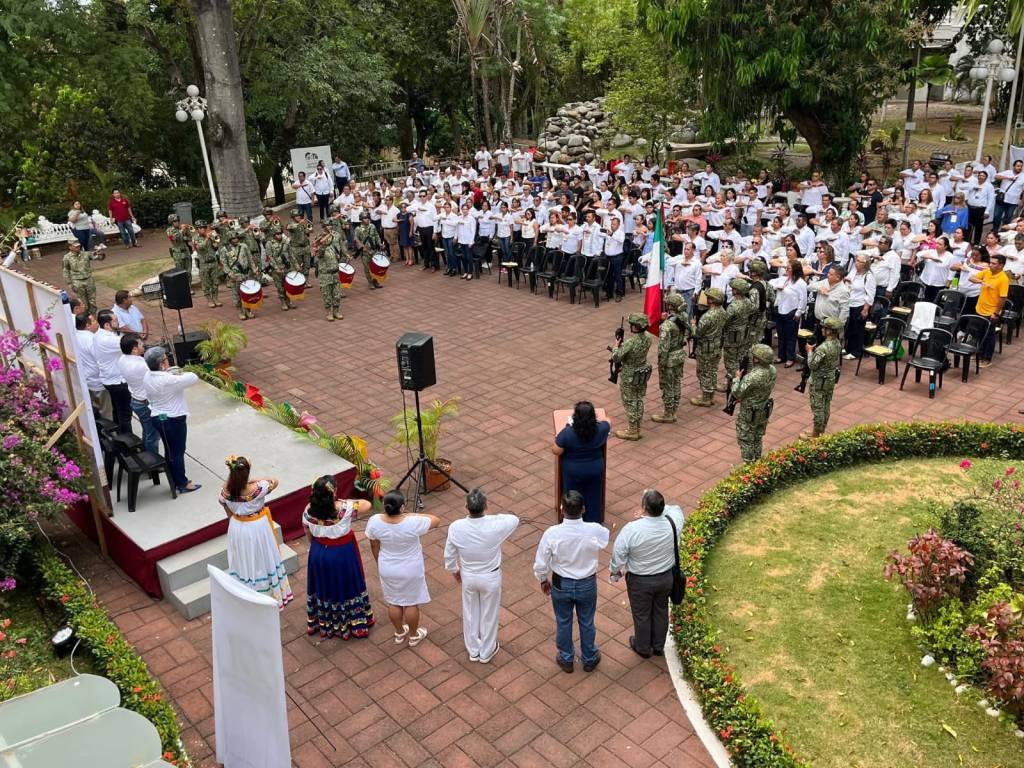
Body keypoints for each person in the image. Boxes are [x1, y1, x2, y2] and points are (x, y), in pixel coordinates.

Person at [533, 490, 610, 673]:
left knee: (563, 621)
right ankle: (589, 657)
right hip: (587, 583)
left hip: (561, 583)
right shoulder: (594, 530)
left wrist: (543, 580)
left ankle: (567, 658)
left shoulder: (552, 533)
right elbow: (605, 536)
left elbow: (540, 563)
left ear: (561, 509)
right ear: (583, 509)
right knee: (587, 621)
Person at [443, 488, 520, 663]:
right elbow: (514, 519)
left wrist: (455, 570)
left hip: (468, 576)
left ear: (466, 507)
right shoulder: (496, 525)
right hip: (490, 577)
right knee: (490, 614)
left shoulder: (456, 527)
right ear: (486, 506)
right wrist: (491, 517)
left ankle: (473, 650)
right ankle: (487, 650)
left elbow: (449, 554)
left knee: (470, 613)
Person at [609, 489, 684, 658]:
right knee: (661, 610)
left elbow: (618, 554)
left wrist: (614, 572)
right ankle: (658, 646)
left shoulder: (632, 530)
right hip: (665, 578)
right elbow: (676, 509)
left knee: (642, 614)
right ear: (661, 508)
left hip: (640, 582)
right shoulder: (674, 523)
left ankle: (643, 647)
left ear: (643, 507)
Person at [365, 490, 440, 647]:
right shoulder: (412, 522)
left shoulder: (374, 521)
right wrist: (410, 514)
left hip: (387, 566)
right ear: (402, 507)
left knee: (394, 601)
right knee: (411, 602)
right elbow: (436, 520)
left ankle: (399, 633)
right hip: (410, 568)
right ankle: (413, 636)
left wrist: (380, 562)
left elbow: (373, 544)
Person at [302, 476, 374, 639]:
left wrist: (315, 547)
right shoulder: (344, 508)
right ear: (333, 492)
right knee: (346, 583)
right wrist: (344, 500)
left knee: (324, 585)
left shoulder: (308, 510)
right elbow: (367, 504)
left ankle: (327, 623)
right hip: (341, 552)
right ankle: (352, 623)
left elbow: (307, 532)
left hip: (318, 551)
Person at [219, 456, 292, 607]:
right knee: (262, 557)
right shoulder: (258, 488)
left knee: (244, 558)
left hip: (238, 526)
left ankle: (247, 591)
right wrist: (253, 480)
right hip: (257, 527)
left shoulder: (225, 491)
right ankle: (268, 594)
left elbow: (226, 510)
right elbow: (274, 481)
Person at [142, 346, 200, 493]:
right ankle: (181, 483)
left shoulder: (148, 376)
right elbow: (193, 377)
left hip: (161, 417)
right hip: (172, 420)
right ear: (162, 363)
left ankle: (175, 479)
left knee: (171, 450)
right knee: (177, 452)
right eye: (166, 359)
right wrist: (178, 374)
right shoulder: (168, 380)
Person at [552, 401, 611, 524]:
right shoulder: (601, 429)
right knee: (594, 494)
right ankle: (593, 520)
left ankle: (573, 518)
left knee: (572, 496)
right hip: (594, 469)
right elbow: (608, 421)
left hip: (573, 471)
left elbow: (556, 450)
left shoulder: (567, 433)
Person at [609, 312, 653, 441]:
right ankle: (637, 426)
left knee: (629, 401)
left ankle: (633, 430)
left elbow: (616, 357)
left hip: (630, 374)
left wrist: (616, 346)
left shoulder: (631, 342)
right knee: (638, 398)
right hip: (641, 372)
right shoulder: (648, 338)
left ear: (636, 326)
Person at [730, 343, 777, 462]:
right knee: (757, 436)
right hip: (763, 409)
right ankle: (757, 462)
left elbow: (737, 393)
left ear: (757, 359)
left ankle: (749, 465)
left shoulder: (752, 377)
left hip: (749, 412)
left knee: (745, 438)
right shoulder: (772, 370)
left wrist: (736, 379)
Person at [117, 333, 159, 455]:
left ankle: (145, 452)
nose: (143, 345)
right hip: (145, 403)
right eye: (141, 344)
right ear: (134, 349)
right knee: (153, 434)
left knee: (147, 430)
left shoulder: (122, 359)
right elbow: (155, 380)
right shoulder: (140, 365)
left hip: (136, 400)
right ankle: (152, 460)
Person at [801, 317, 843, 438]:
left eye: (825, 328)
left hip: (819, 381)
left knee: (818, 407)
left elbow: (812, 365)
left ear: (830, 331)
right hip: (829, 379)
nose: (822, 330)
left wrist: (809, 352)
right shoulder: (837, 343)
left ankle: (816, 434)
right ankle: (820, 431)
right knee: (826, 405)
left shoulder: (823, 348)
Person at [652, 293, 690, 423]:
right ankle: (674, 410)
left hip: (669, 359)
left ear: (669, 306)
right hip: (679, 354)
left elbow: (663, 348)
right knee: (676, 383)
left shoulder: (667, 326)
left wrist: (661, 364)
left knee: (668, 386)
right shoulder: (684, 316)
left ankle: (668, 413)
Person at [93, 310, 132, 435]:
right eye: (115, 320)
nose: (118, 322)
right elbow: (128, 345)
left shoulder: (100, 334)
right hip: (116, 381)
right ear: (107, 325)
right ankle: (127, 439)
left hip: (110, 379)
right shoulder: (108, 339)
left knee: (118, 410)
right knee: (125, 413)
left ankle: (120, 435)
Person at [969, 252, 1009, 369]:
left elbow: (1003, 298)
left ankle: (986, 358)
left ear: (1001, 265)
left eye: (994, 263)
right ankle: (978, 353)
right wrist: (981, 281)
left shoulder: (1003, 279)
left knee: (989, 336)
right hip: (979, 308)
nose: (990, 265)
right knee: (978, 332)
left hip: (991, 312)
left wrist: (996, 313)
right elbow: (971, 278)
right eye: (990, 262)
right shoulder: (987, 272)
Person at [690, 288, 728, 407]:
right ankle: (710, 395)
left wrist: (693, 326)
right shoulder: (722, 311)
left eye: (708, 297)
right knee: (712, 370)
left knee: (703, 371)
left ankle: (706, 398)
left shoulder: (707, 316)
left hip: (705, 348)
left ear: (712, 300)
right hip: (717, 346)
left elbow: (697, 334)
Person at [770, 261, 808, 367]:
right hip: (780, 310)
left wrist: (799, 312)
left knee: (790, 336)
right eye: (786, 268)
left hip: (791, 311)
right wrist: (777, 287)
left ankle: (790, 358)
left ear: (795, 270)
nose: (786, 270)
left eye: (789, 268)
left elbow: (803, 299)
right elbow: (771, 282)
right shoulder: (784, 279)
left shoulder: (800, 283)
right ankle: (781, 356)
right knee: (781, 335)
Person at [75, 312, 112, 419]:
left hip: (87, 379)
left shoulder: (75, 336)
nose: (97, 323)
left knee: (96, 409)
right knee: (106, 412)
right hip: (98, 381)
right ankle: (109, 434)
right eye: (94, 321)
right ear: (87, 325)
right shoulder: (92, 339)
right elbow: (100, 358)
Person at [721, 278, 753, 388]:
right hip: (744, 335)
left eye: (733, 289)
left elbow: (725, 321)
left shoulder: (733, 305)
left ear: (736, 291)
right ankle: (742, 380)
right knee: (741, 358)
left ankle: (732, 384)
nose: (732, 291)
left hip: (732, 337)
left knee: (730, 361)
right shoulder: (748, 301)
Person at [844, 254, 876, 360]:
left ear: (865, 264)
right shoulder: (853, 271)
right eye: (856, 260)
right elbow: (847, 281)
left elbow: (870, 294)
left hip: (860, 304)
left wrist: (866, 309)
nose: (856, 263)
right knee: (849, 328)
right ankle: (848, 348)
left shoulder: (869, 276)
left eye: (859, 261)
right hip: (850, 302)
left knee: (857, 329)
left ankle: (856, 351)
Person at [223, 233, 259, 320]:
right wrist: (230, 274)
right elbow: (224, 264)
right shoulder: (225, 250)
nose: (236, 240)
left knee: (247, 293)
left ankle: (248, 310)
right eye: (233, 239)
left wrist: (254, 270)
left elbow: (250, 259)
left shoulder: (244, 246)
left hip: (246, 273)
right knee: (237, 294)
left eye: (237, 238)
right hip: (235, 275)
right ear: (229, 240)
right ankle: (240, 311)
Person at [315, 226, 345, 321]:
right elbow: (320, 254)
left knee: (336, 294)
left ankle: (336, 311)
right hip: (325, 275)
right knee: (327, 295)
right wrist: (322, 244)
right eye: (326, 238)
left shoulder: (332, 248)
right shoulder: (320, 249)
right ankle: (329, 313)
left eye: (329, 238)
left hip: (335, 274)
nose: (328, 239)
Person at [266, 229, 300, 311]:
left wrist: (296, 265)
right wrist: (276, 268)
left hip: (287, 267)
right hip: (277, 269)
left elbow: (291, 254)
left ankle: (289, 301)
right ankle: (283, 302)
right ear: (274, 235)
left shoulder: (286, 242)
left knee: (288, 285)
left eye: (280, 233)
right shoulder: (269, 244)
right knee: (280, 287)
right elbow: (269, 257)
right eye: (277, 234)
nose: (279, 235)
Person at [62, 238, 97, 318]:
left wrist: (100, 253)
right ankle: (85, 319)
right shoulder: (66, 258)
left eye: (78, 246)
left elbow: (97, 257)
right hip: (77, 282)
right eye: (75, 246)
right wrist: (70, 284)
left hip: (89, 280)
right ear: (70, 247)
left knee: (92, 302)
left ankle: (94, 318)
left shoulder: (86, 254)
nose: (78, 248)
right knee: (83, 303)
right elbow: (65, 271)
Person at [192, 221, 223, 308]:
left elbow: (216, 247)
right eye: (201, 228)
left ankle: (216, 298)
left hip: (213, 262)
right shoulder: (195, 238)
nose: (203, 229)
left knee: (215, 282)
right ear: (197, 229)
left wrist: (214, 241)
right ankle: (209, 300)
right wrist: (207, 238)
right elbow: (200, 247)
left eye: (204, 228)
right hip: (204, 264)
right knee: (206, 283)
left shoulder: (210, 237)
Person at [353, 212, 385, 289]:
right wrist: (361, 247)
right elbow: (356, 239)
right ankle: (370, 282)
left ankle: (375, 281)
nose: (367, 219)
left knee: (376, 267)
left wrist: (379, 243)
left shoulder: (372, 226)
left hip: (373, 250)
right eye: (365, 218)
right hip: (365, 252)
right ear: (361, 219)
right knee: (367, 268)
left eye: (368, 218)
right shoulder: (358, 229)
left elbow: (376, 235)